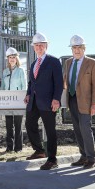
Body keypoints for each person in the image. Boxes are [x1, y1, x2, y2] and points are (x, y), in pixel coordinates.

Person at [24, 32, 63, 170]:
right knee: (29, 124)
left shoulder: (53, 61)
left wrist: (56, 99)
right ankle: (39, 151)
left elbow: (59, 82)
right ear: (33, 47)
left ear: (46, 46)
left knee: (50, 130)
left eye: (41, 45)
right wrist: (28, 94)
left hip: (48, 102)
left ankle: (52, 159)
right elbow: (31, 83)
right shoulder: (34, 63)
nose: (39, 47)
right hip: (34, 101)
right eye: (36, 45)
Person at [63, 35, 95, 169]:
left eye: (79, 47)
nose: (77, 50)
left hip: (86, 102)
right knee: (77, 129)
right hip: (72, 100)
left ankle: (91, 158)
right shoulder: (68, 62)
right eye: (74, 47)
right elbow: (66, 81)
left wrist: (94, 104)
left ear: (84, 48)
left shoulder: (92, 63)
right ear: (71, 49)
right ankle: (83, 156)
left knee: (85, 128)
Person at [0, 47, 27, 153]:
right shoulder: (5, 71)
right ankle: (9, 147)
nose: (12, 59)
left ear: (17, 59)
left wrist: (23, 99)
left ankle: (18, 147)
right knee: (8, 125)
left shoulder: (21, 71)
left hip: (18, 102)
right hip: (8, 102)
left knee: (18, 125)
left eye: (14, 57)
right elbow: (2, 87)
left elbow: (24, 86)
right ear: (8, 59)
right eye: (10, 57)